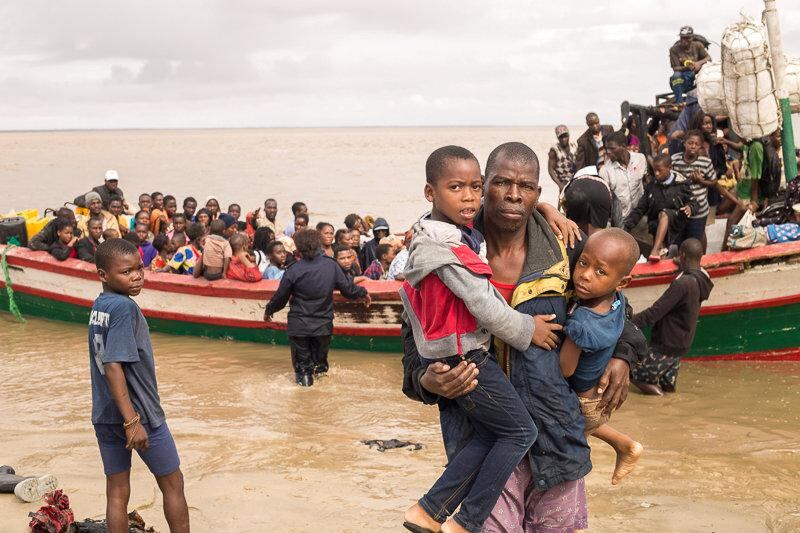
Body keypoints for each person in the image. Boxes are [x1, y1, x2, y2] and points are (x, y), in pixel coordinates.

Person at [402, 142, 641, 533]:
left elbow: (616, 306)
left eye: (526, 187)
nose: (514, 195)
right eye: (501, 183)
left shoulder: (566, 249)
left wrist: (623, 356)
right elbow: (414, 339)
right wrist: (426, 382)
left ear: (538, 194)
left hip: (556, 437)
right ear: (484, 187)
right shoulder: (443, 250)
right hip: (482, 442)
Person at [401, 145, 554, 533]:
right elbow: (482, 305)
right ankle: (465, 522)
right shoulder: (447, 248)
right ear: (430, 192)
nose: (469, 197)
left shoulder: (555, 246)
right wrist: (527, 330)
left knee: (497, 433)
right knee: (520, 431)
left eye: (475, 187)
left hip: (554, 435)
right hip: (466, 359)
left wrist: (549, 212)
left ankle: (428, 510)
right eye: (457, 187)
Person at [89, 239, 189, 533]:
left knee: (117, 491)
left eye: (139, 269)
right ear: (103, 275)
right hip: (139, 415)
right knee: (173, 484)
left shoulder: (100, 304)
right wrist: (132, 421)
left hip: (104, 413)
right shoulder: (124, 308)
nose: (136, 276)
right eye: (126, 272)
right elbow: (113, 365)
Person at [559, 229, 644, 485]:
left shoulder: (582, 323)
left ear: (622, 282)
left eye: (600, 272)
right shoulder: (617, 301)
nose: (584, 275)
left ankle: (625, 446)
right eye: (583, 263)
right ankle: (626, 445)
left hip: (585, 403)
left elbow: (565, 369)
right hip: (598, 400)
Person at [264, 229, 370, 386]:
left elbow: (280, 298)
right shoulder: (331, 266)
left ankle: (305, 403)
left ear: (298, 249)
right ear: (318, 244)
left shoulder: (293, 270)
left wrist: (269, 310)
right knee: (320, 368)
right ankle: (321, 404)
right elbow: (348, 289)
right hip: (323, 326)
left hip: (299, 326)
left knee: (303, 370)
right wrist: (363, 293)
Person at [631, 238, 713, 395]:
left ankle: (661, 404)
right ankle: (669, 409)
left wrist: (629, 322)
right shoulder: (701, 280)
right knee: (668, 387)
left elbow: (655, 312)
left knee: (635, 376)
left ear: (682, 255)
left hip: (666, 344)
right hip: (681, 344)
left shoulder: (683, 284)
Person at [624, 153, 695, 261]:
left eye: (660, 170)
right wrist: (626, 227)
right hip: (656, 227)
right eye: (654, 170)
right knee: (661, 260)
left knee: (664, 214)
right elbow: (641, 208)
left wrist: (690, 207)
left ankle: (655, 250)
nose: (656, 174)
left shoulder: (681, 184)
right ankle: (658, 251)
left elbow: (694, 202)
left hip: (676, 226)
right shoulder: (652, 186)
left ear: (669, 168)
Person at [671, 130, 717, 249]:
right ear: (684, 143)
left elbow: (714, 182)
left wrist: (701, 181)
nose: (693, 146)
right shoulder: (674, 160)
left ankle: (696, 264)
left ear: (700, 146)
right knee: (680, 242)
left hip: (699, 211)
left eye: (696, 144)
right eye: (690, 143)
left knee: (694, 242)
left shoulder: (705, 162)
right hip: (680, 209)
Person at [599, 131, 648, 225]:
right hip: (621, 220)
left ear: (624, 146)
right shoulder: (605, 171)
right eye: (607, 148)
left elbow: (645, 181)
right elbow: (604, 201)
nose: (608, 152)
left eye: (612, 148)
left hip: (640, 215)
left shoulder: (640, 159)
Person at [562, 166, 613, 235]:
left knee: (577, 232)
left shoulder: (572, 183)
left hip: (576, 192)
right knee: (597, 233)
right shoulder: (602, 181)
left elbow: (563, 206)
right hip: (601, 194)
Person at [669, 26, 710, 104]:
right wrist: (687, 68)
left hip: (697, 76)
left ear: (692, 38)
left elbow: (708, 58)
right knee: (676, 76)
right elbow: (675, 68)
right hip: (683, 78)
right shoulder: (673, 50)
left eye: (687, 38)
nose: (685, 40)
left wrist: (698, 63)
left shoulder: (698, 45)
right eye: (682, 38)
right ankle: (679, 103)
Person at [548, 124, 578, 190]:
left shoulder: (574, 146)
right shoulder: (554, 150)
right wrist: (559, 184)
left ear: (568, 135)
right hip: (564, 182)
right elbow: (550, 169)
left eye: (565, 136)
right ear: (558, 138)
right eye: (561, 137)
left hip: (576, 179)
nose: (564, 139)